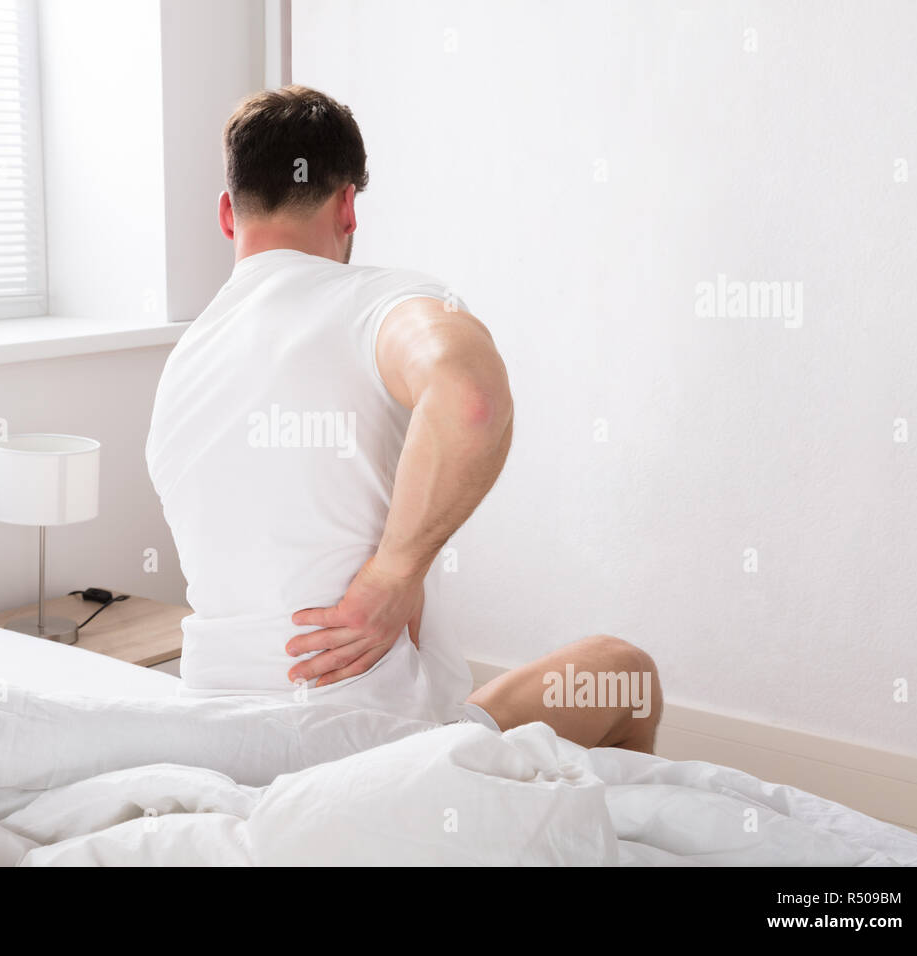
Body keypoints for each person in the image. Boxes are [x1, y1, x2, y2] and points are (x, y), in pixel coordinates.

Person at [146, 86, 661, 752]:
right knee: (624, 670)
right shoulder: (378, 301)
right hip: (378, 750)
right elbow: (471, 399)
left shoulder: (183, 367)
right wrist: (390, 578)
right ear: (348, 206)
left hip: (221, 742)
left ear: (226, 214)